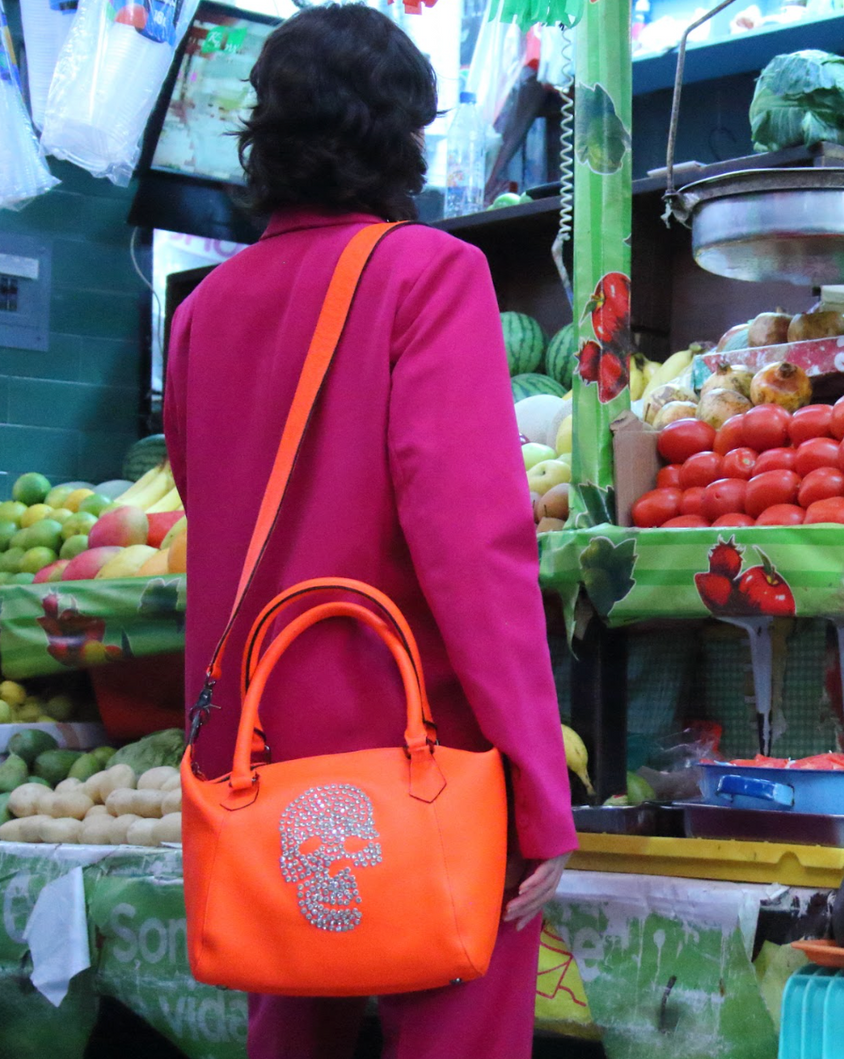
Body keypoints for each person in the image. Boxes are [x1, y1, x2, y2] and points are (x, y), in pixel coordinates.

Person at [162, 6, 577, 1057]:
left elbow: (215, 526)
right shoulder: (426, 274)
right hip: (418, 749)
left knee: (287, 1031)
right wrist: (536, 777)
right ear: (402, 134)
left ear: (265, 133)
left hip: (253, 753)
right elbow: (473, 544)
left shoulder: (201, 313)